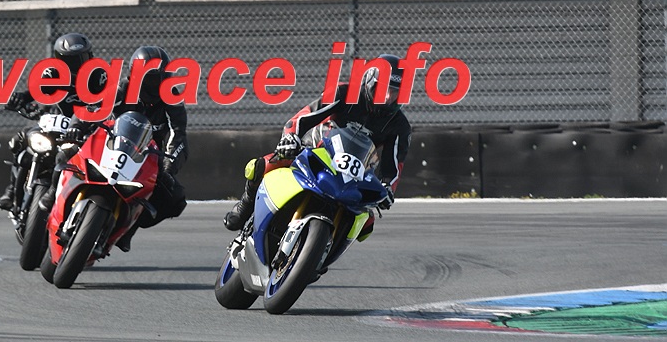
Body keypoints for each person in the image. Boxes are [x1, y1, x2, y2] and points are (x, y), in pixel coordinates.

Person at [223, 54, 411, 239]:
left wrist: (388, 188)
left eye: (395, 92)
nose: (388, 96)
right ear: (369, 82)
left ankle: (328, 250)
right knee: (263, 165)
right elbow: (303, 117)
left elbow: (394, 166)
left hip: (354, 174)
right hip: (315, 152)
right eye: (384, 88)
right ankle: (245, 206)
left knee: (366, 224)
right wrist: (290, 137)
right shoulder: (344, 93)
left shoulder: (400, 126)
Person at [41, 45, 189, 252]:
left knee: (175, 199)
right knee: (66, 152)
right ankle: (52, 194)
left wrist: (168, 166)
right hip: (108, 142)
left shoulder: (172, 99)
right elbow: (92, 108)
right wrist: (76, 127)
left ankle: (129, 229)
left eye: (161, 78)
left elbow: (178, 134)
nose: (156, 85)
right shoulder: (121, 89)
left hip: (144, 156)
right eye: (151, 79)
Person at [0, 32, 104, 211]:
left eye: (81, 58)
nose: (77, 64)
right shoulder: (52, 73)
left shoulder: (99, 75)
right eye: (70, 60)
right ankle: (12, 190)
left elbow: (109, 101)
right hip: (55, 124)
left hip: (83, 129)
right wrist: (20, 98)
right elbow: (35, 91)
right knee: (22, 139)